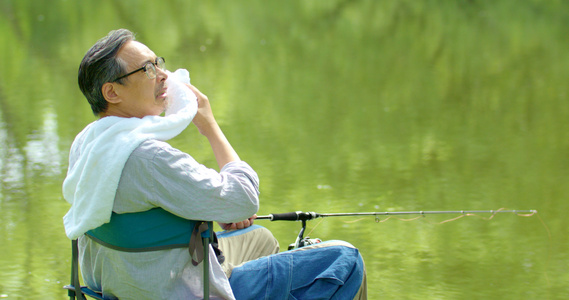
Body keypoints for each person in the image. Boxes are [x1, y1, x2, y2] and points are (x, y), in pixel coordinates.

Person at [63, 29, 366, 299]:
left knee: (260, 238)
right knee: (346, 260)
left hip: (128, 284)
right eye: (147, 69)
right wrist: (209, 125)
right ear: (112, 92)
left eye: (159, 63)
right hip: (180, 289)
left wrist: (208, 210)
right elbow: (244, 201)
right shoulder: (148, 158)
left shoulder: (88, 146)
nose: (163, 75)